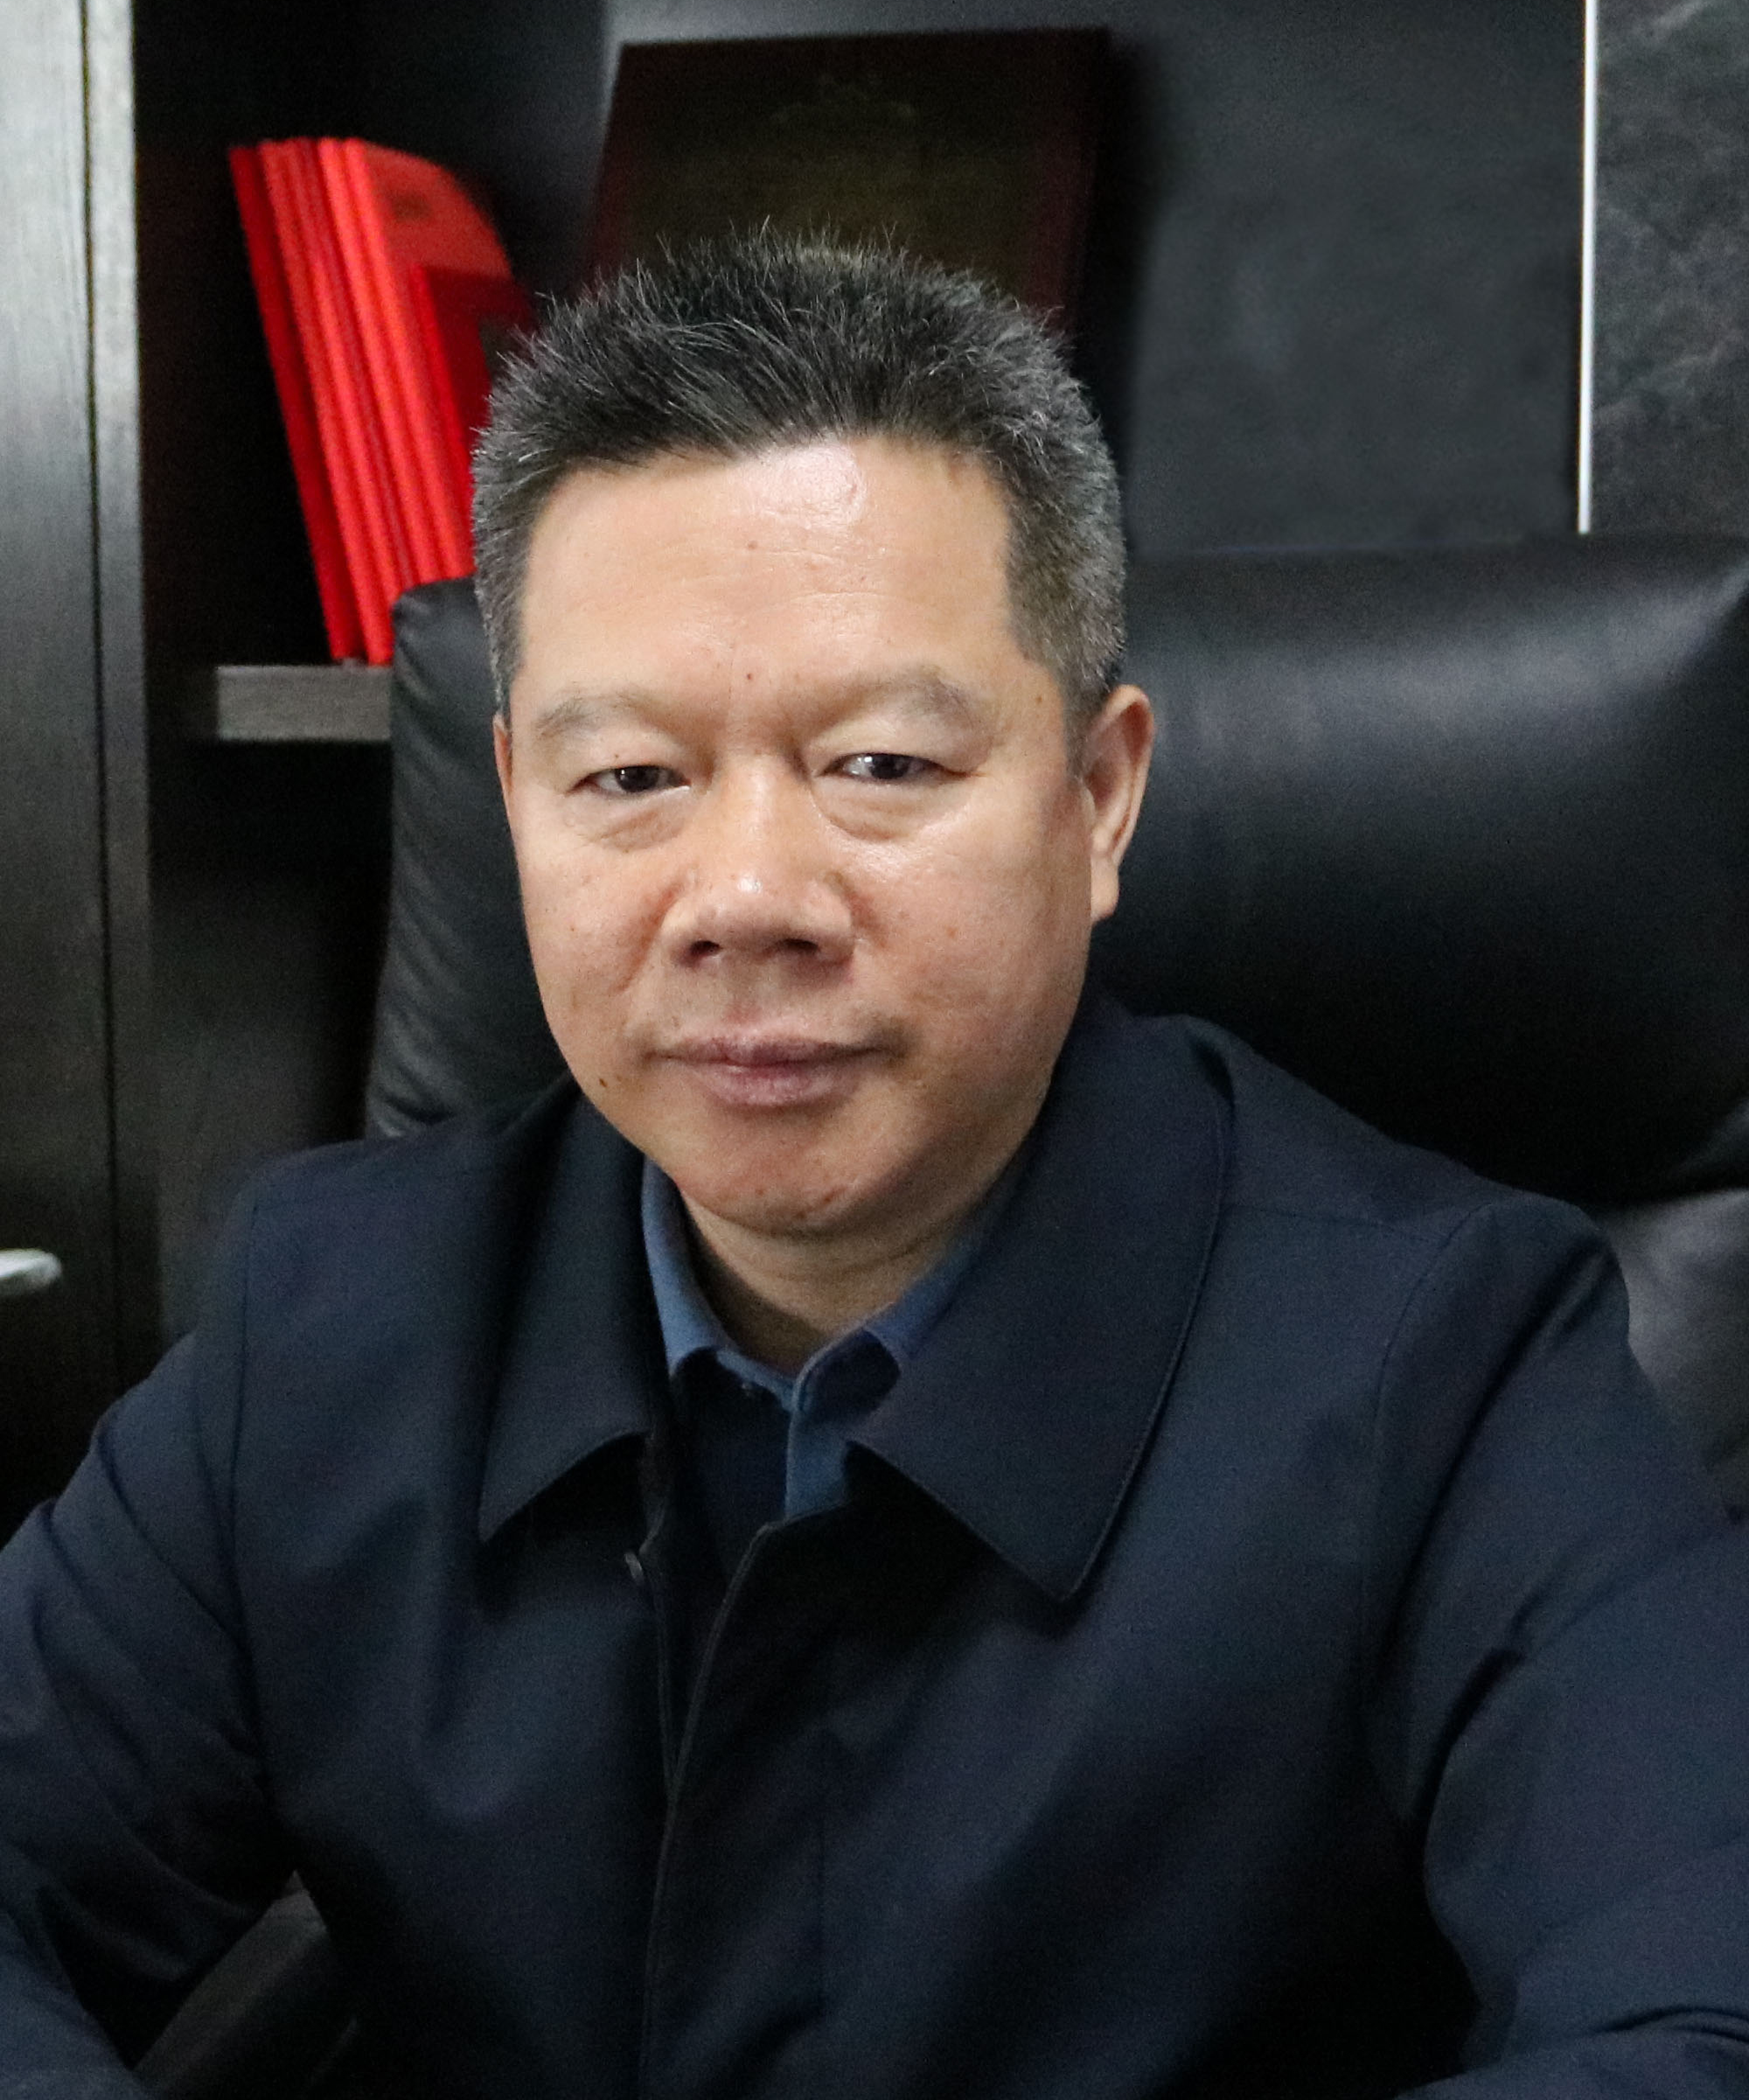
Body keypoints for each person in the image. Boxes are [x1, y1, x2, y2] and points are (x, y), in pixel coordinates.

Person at [3, 234, 1749, 2100]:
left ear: (1099, 797)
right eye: (630, 780)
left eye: (883, 764)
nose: (747, 896)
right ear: (511, 798)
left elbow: (1693, 2028)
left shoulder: (1452, 1363)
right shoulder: (329, 1323)